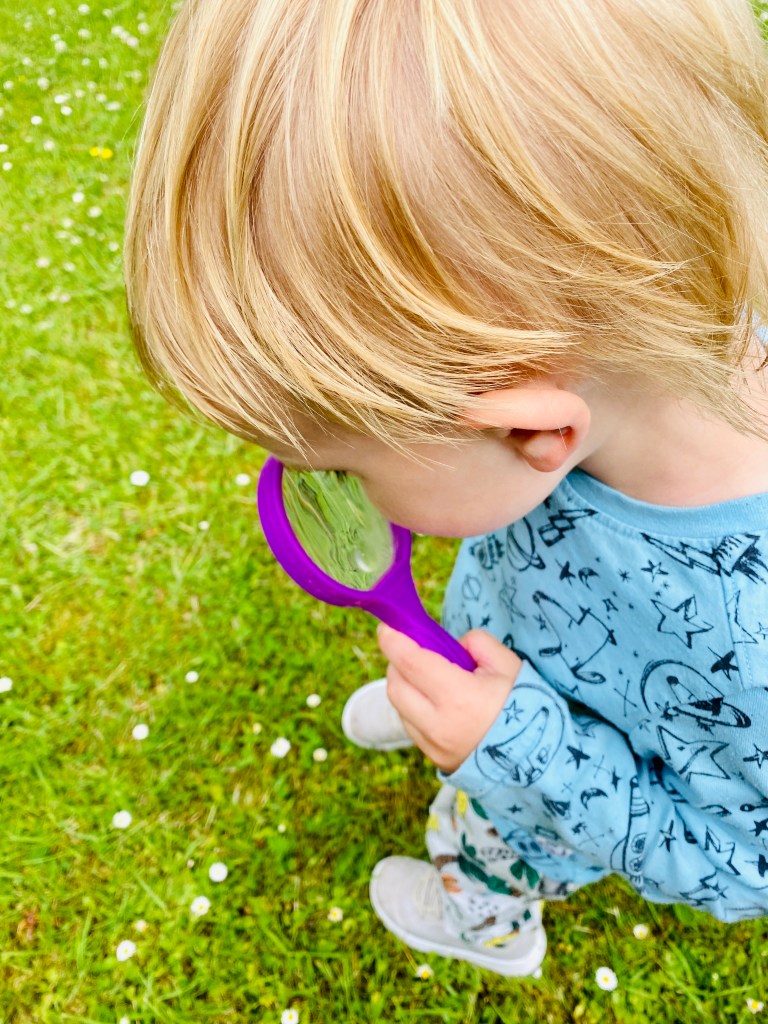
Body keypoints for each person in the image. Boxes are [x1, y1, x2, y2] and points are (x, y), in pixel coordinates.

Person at [124, 0, 768, 977]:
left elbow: (737, 860)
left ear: (533, 429)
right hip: (518, 646)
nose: (330, 494)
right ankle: (451, 675)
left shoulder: (744, 637)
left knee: (486, 843)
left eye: (344, 467)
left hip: (540, 800)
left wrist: (508, 747)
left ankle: (490, 925)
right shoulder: (639, 361)